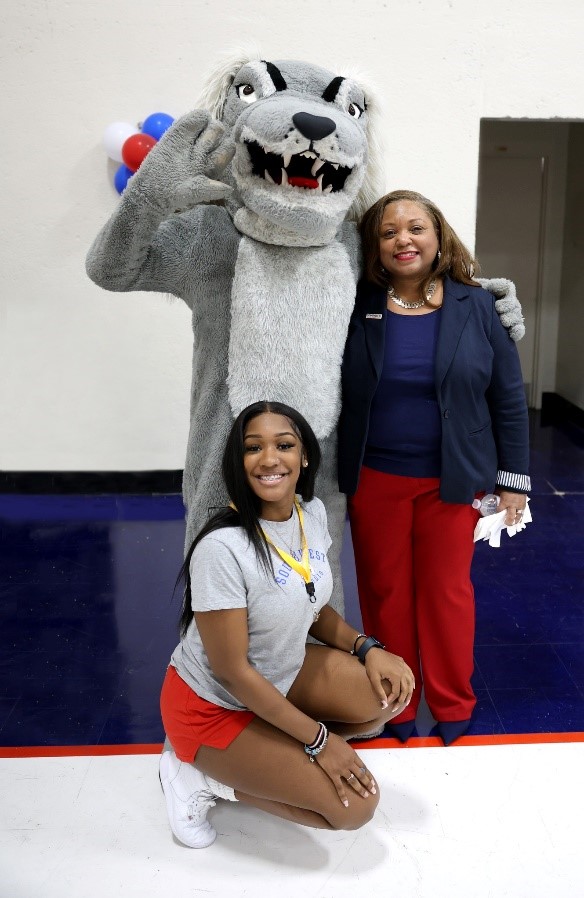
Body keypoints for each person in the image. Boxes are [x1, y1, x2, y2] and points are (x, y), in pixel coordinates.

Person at [159, 400, 415, 848]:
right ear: (238, 461)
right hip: (214, 707)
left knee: (387, 693)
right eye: (253, 447)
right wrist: (320, 741)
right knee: (354, 809)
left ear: (305, 456)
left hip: (282, 672)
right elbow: (233, 672)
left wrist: (368, 648)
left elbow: (311, 606)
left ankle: (273, 748)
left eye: (284, 445)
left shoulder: (309, 514)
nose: (270, 458)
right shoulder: (223, 548)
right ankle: (196, 777)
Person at [337, 190, 530, 746]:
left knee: (448, 593)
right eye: (389, 232)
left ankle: (453, 705)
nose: (404, 240)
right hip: (375, 480)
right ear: (374, 247)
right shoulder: (357, 303)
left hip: (456, 478)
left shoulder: (478, 306)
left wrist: (512, 482)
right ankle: (395, 707)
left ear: (438, 236)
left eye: (416, 228)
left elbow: (508, 397)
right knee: (385, 593)